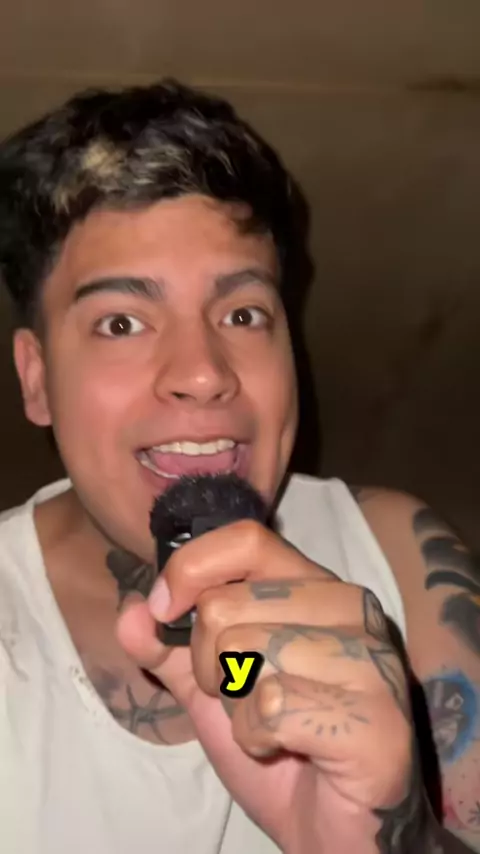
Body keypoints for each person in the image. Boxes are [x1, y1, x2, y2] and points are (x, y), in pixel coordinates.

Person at [0, 79, 477, 854]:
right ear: (37, 380)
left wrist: (394, 840)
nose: (203, 372)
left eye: (243, 314)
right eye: (121, 323)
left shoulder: (401, 558)